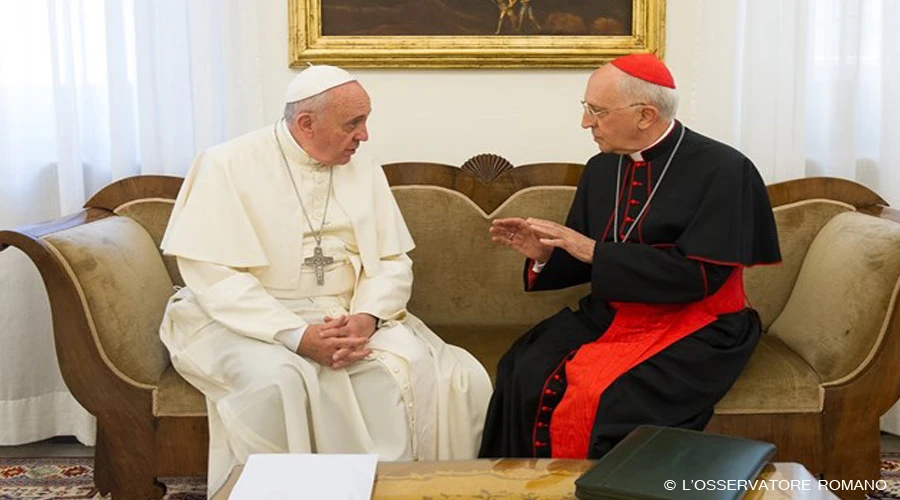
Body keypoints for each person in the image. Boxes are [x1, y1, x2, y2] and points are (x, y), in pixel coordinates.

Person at [159, 65, 492, 495]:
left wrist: (368, 317)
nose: (365, 135)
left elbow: (391, 260)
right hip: (244, 317)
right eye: (353, 123)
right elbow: (213, 276)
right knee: (279, 379)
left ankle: (399, 491)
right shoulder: (226, 163)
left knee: (414, 366)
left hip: (346, 310)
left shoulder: (362, 166)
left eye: (366, 121)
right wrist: (296, 335)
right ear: (305, 123)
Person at [478, 54, 781, 460]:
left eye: (597, 111)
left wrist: (594, 251)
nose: (586, 123)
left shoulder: (725, 170)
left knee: (606, 397)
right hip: (614, 312)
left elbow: (700, 278)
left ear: (645, 115)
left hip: (701, 325)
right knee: (524, 367)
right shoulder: (602, 169)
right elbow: (589, 258)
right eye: (586, 109)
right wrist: (544, 255)